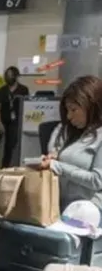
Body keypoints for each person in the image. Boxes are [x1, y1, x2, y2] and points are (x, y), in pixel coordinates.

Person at [37, 74, 102, 213]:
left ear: (91, 106)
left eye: (74, 110)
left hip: (89, 210)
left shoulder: (99, 137)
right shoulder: (67, 129)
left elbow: (97, 181)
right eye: (67, 110)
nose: (69, 116)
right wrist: (53, 155)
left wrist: (58, 166)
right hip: (60, 204)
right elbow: (54, 147)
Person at [0, 67, 29, 180]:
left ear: (16, 76)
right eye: (7, 75)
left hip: (14, 123)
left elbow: (26, 107)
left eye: (11, 75)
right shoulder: (2, 90)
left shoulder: (23, 90)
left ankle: (3, 173)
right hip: (1, 120)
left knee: (9, 148)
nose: (8, 77)